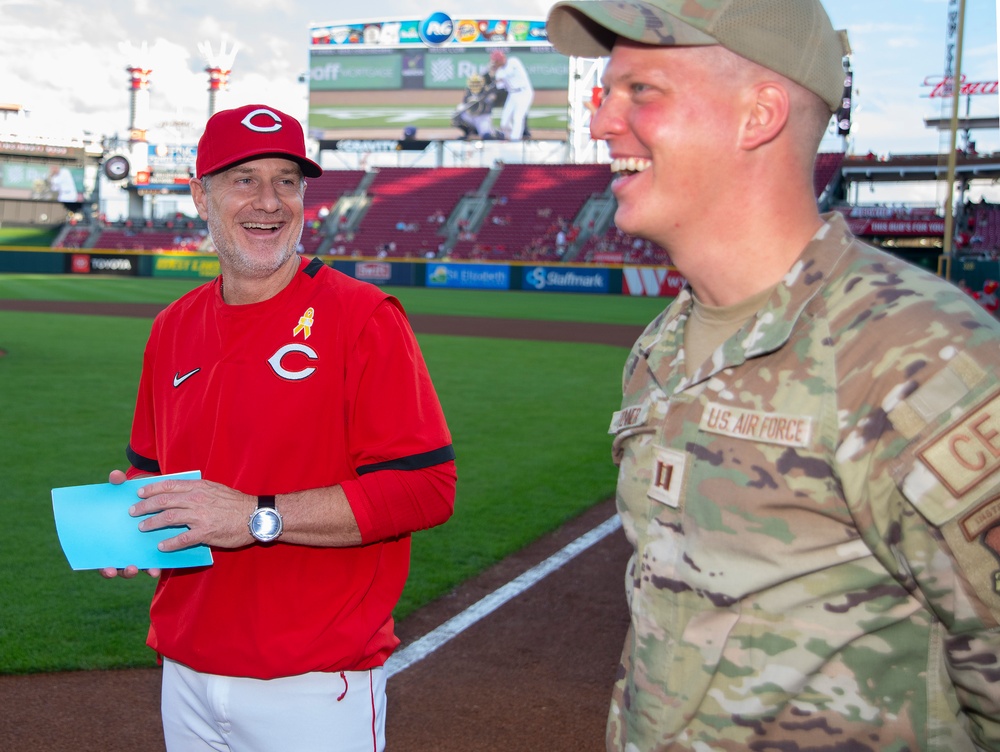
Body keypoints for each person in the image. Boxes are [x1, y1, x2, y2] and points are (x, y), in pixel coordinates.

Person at [546, 1, 1000, 749]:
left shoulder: (923, 360)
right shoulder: (664, 347)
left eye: (640, 92)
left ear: (758, 116)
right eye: (605, 92)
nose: (600, 123)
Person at [101, 103, 457, 752]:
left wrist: (259, 516)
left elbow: (427, 489)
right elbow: (156, 471)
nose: (269, 201)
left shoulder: (364, 318)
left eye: (286, 181)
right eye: (244, 179)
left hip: (317, 686)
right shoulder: (172, 328)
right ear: (199, 196)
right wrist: (136, 517)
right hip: (185, 670)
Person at [489, 49, 534, 141]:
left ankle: (515, 139)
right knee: (504, 122)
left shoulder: (513, 61)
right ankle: (509, 137)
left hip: (524, 92)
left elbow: (508, 73)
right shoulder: (499, 72)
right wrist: (494, 76)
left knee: (518, 117)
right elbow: (500, 86)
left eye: (496, 61)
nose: (494, 63)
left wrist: (497, 74)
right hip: (512, 94)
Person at [451, 72, 499, 140]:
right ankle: (469, 132)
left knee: (487, 136)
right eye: (473, 83)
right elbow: (465, 104)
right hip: (472, 116)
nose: (475, 85)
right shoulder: (468, 91)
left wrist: (484, 99)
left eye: (477, 83)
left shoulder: (487, 92)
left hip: (483, 117)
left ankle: (497, 133)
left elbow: (491, 100)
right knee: (457, 113)